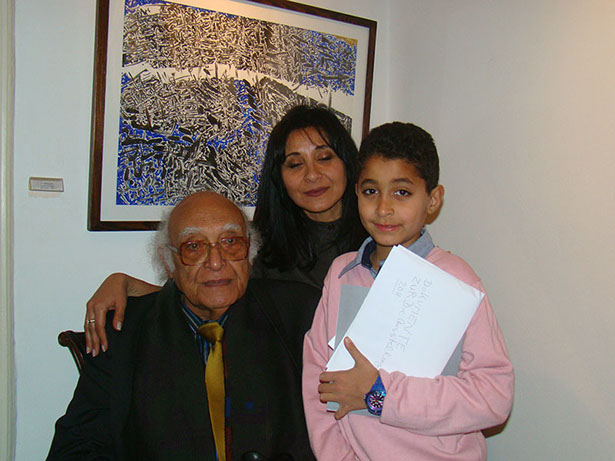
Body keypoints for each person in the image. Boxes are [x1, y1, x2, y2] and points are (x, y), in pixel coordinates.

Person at [48, 191, 319, 460]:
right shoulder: (123, 334)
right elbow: (76, 449)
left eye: (231, 242)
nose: (216, 262)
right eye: (194, 247)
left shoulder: (301, 314)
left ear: (250, 251)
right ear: (168, 262)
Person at [302, 122, 514, 460]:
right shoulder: (342, 275)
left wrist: (379, 393)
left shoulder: (457, 281)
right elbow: (316, 380)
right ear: (356, 192)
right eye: (371, 191)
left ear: (433, 200)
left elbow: (493, 397)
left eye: (402, 192)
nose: (383, 208)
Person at [84, 105, 366, 356]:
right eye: (295, 164)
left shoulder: (378, 241)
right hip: (291, 387)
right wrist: (125, 284)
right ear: (279, 177)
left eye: (324, 158)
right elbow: (205, 302)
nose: (312, 174)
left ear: (347, 162)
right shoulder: (258, 248)